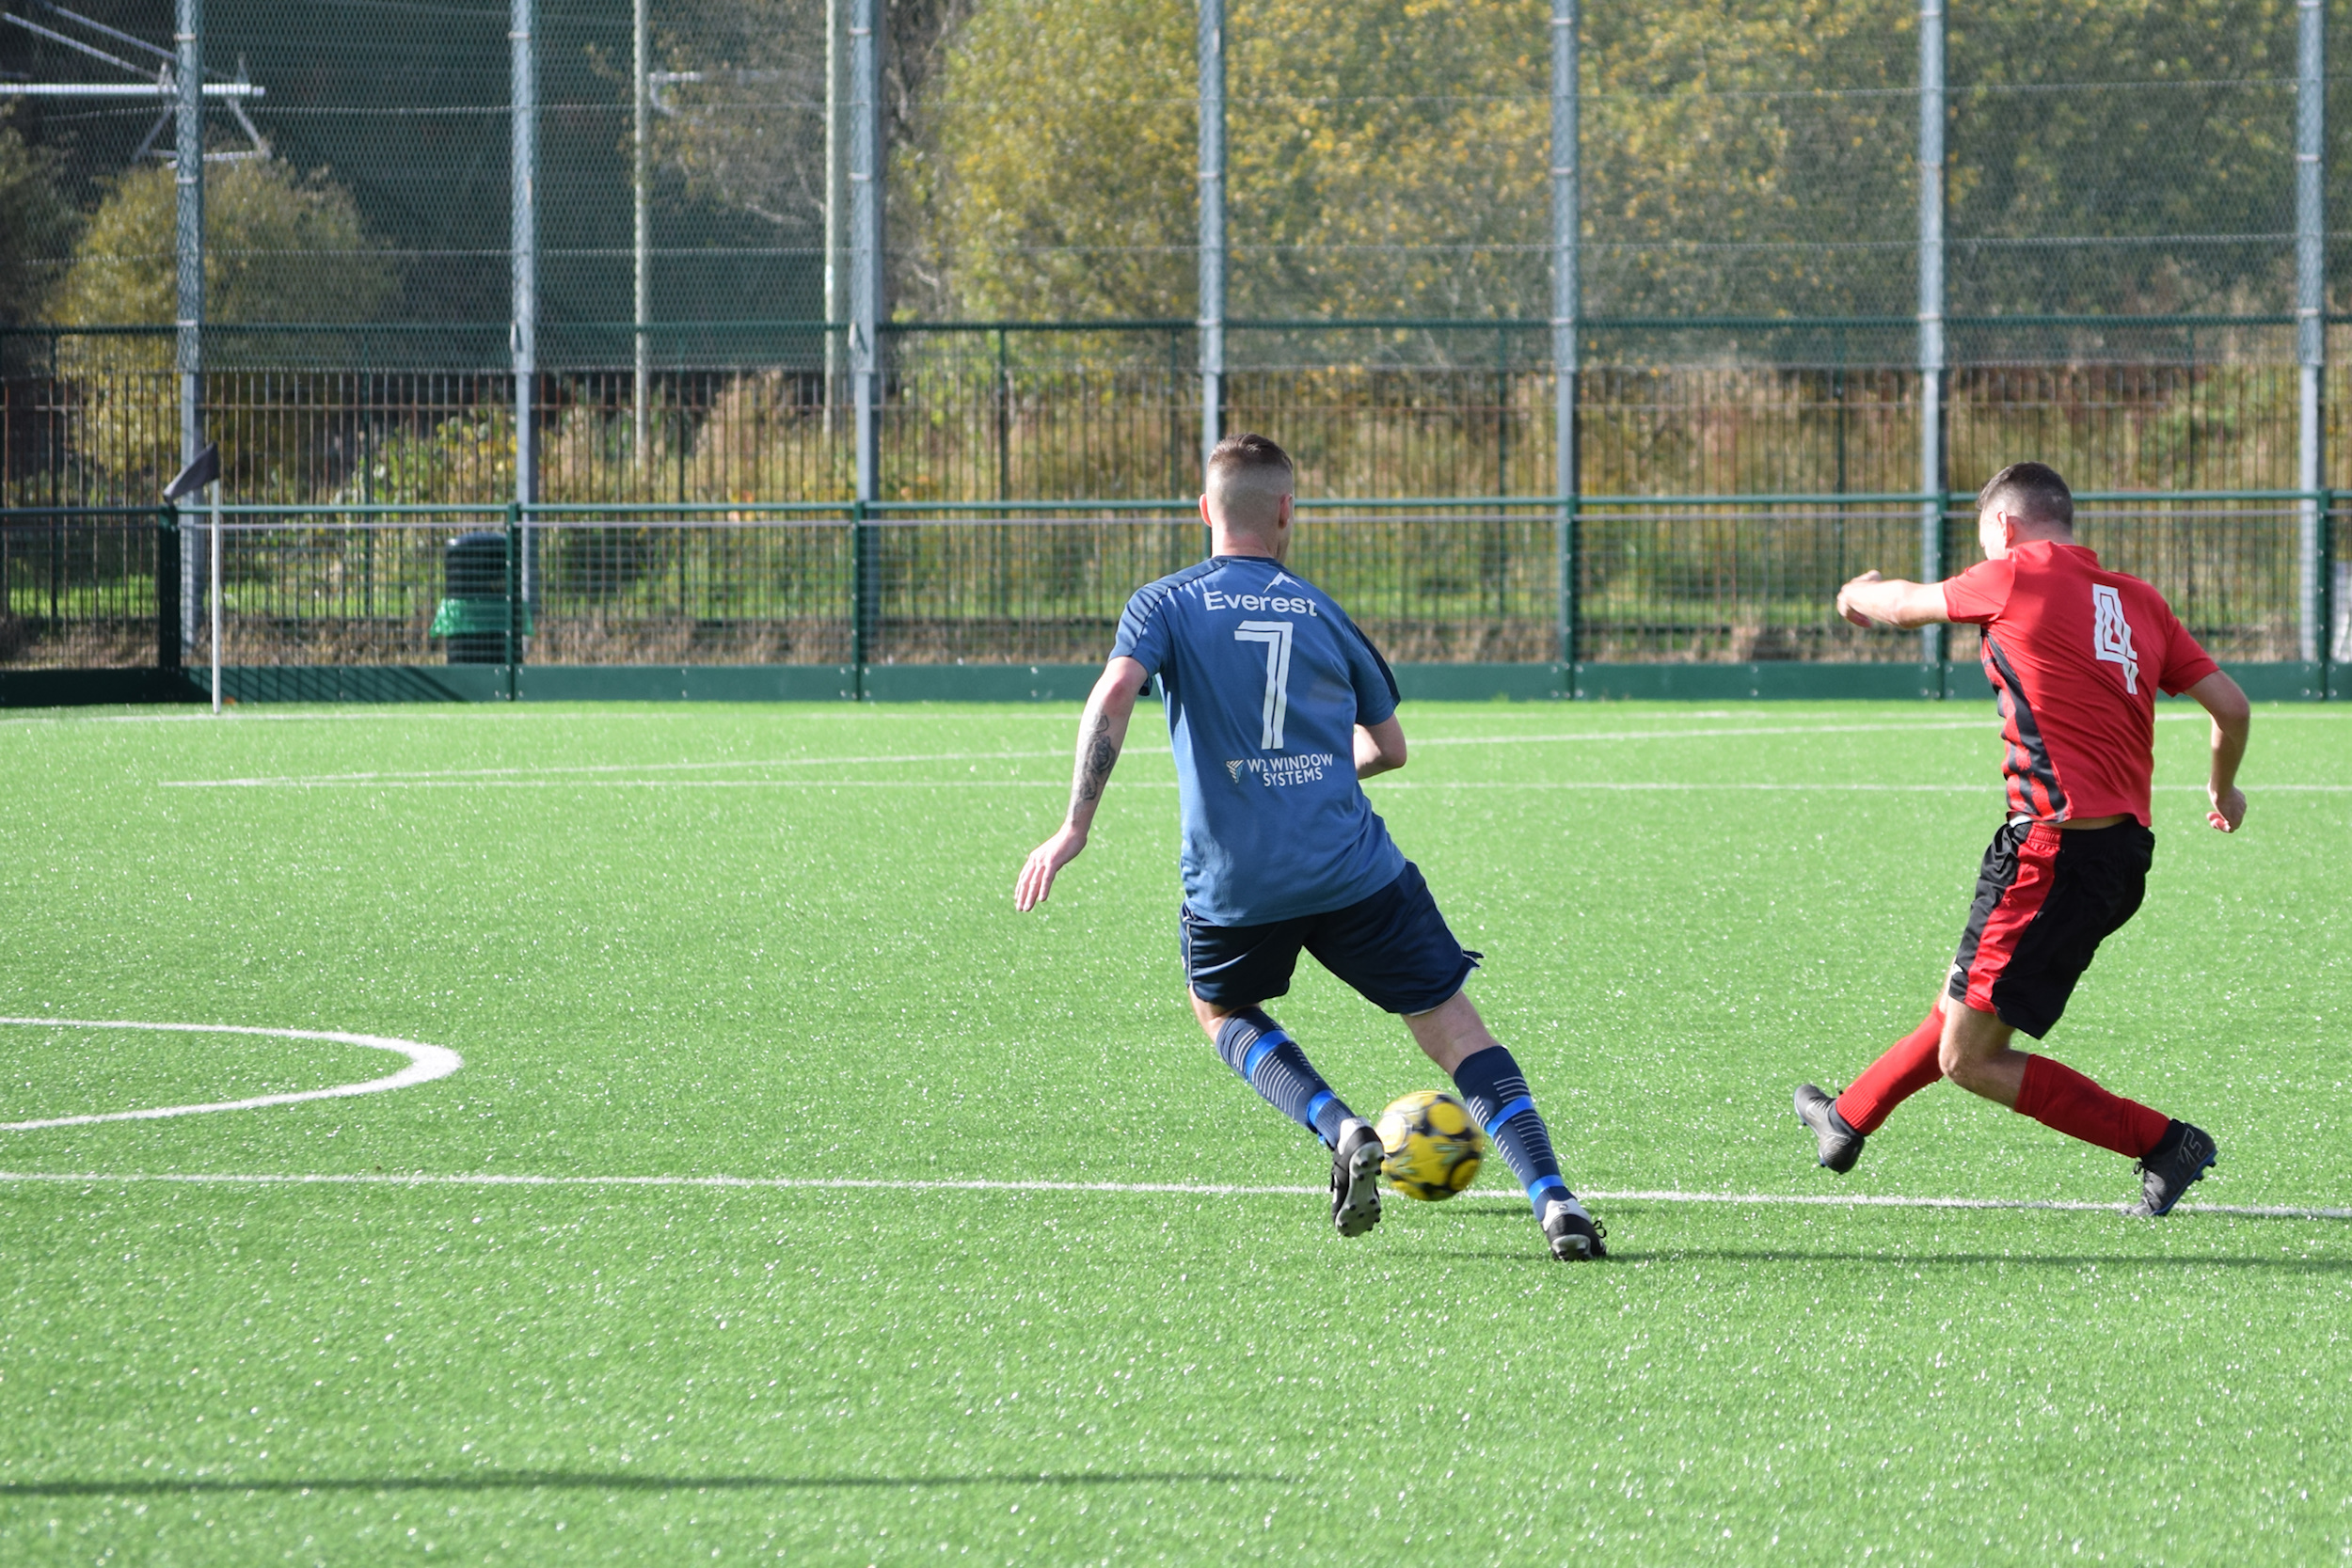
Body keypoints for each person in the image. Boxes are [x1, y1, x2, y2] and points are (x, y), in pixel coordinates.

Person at [1014, 432, 1606, 1260]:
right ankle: (1555, 1200)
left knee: (1220, 1009)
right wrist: (1320, 772)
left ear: (1205, 510)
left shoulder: (1163, 603)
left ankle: (1338, 1123)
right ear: (1287, 511)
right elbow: (1390, 748)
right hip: (1353, 868)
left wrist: (1075, 825)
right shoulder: (1324, 610)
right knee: (1453, 1028)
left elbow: (1115, 690)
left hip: (1238, 882)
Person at [1793, 461, 2251, 1216]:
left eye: (1985, 540)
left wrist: (1854, 593)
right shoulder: (2140, 600)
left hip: (2049, 853)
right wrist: (2221, 787)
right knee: (1962, 999)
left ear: (2004, 527)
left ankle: (2165, 1140)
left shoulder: (2015, 575)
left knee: (1968, 1057)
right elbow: (2231, 707)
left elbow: (1903, 606)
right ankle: (1847, 1119)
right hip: (2120, 857)